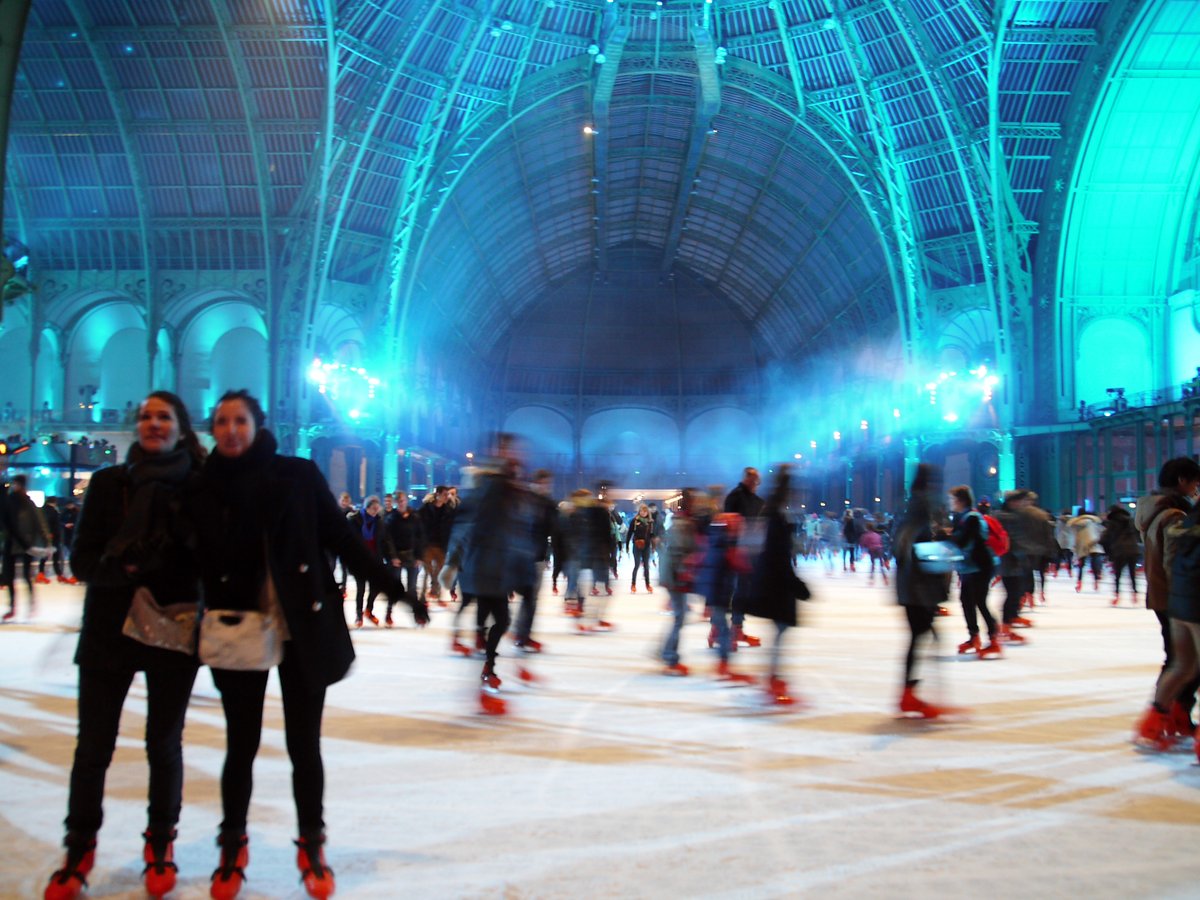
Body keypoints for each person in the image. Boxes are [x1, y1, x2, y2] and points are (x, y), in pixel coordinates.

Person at [190, 390, 426, 899]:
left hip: (303, 626)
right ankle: (232, 846)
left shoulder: (296, 475)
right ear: (213, 429)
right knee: (241, 746)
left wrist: (398, 592)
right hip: (239, 628)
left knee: (304, 745)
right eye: (222, 422)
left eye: (240, 420)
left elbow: (342, 543)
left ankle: (311, 843)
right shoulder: (203, 485)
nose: (231, 430)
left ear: (257, 425)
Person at [43, 391, 205, 900]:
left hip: (171, 631)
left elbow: (208, 562)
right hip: (109, 632)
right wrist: (129, 565)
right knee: (93, 748)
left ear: (181, 428)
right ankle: (79, 848)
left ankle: (160, 844)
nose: (153, 424)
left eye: (164, 417)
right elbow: (83, 561)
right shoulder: (111, 484)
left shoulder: (198, 489)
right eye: (145, 417)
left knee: (163, 744)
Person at [1133, 457, 1200, 748]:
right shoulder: (1174, 514)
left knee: (1180, 661)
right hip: (1179, 594)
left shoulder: (1153, 509)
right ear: (1182, 480)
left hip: (1168, 595)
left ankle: (1162, 717)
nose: (1196, 487)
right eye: (1194, 481)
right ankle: (1177, 713)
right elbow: (1176, 561)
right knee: (1183, 661)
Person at [745, 466, 810, 705]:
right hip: (776, 584)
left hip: (773, 581)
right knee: (781, 630)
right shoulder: (775, 515)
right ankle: (773, 680)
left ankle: (774, 679)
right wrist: (797, 585)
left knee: (781, 631)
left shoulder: (772, 511)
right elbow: (777, 556)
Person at [893, 463, 952, 717]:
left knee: (921, 638)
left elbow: (902, 550)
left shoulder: (910, 511)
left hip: (911, 588)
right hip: (918, 588)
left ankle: (909, 694)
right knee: (922, 638)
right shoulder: (921, 514)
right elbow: (921, 554)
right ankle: (909, 695)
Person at [946, 484, 1000, 659]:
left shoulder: (972, 518)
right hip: (970, 566)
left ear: (961, 500)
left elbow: (964, 541)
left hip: (981, 566)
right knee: (966, 601)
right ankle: (974, 636)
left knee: (979, 601)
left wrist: (947, 537)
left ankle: (994, 639)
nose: (951, 503)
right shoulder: (963, 517)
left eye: (953, 499)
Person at [659, 488, 699, 676]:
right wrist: (683, 575)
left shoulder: (685, 522)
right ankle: (669, 655)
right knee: (679, 617)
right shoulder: (683, 523)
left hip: (675, 576)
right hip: (675, 577)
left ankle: (666, 652)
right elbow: (678, 553)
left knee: (680, 617)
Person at [723, 467, 763, 648]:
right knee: (733, 591)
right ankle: (725, 630)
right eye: (754, 481)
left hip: (748, 552)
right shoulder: (736, 497)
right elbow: (728, 525)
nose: (756, 485)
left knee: (742, 591)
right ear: (747, 478)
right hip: (734, 551)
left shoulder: (756, 501)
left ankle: (735, 628)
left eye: (757, 482)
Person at [3, 474, 51, 621]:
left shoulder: (28, 503)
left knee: (26, 575)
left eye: (16, 484)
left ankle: (31, 603)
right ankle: (12, 607)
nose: (14, 486)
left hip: (27, 544)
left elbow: (39, 522)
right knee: (9, 576)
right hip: (11, 542)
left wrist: (46, 541)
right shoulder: (9, 501)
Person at [347, 495, 399, 628]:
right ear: (367, 507)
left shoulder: (379, 521)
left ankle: (369, 609)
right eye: (373, 509)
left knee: (375, 587)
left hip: (375, 559)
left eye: (377, 509)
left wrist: (392, 556)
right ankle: (359, 615)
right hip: (359, 559)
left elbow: (386, 540)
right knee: (361, 588)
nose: (376, 512)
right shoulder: (355, 519)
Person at [1101, 504, 1140, 605]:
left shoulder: (1112, 523)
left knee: (1118, 575)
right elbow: (1138, 534)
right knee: (1132, 574)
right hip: (1133, 549)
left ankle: (1117, 596)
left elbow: (1104, 538)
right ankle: (1135, 594)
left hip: (1119, 550)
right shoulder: (1131, 521)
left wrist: (1108, 553)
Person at [625, 504, 655, 593]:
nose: (643, 513)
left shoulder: (650, 522)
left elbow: (651, 535)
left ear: (647, 512)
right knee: (637, 565)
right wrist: (626, 545)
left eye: (645, 511)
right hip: (637, 545)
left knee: (646, 566)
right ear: (639, 511)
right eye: (641, 511)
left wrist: (653, 545)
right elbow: (629, 533)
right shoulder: (634, 521)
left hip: (646, 546)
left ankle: (648, 584)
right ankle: (633, 584)